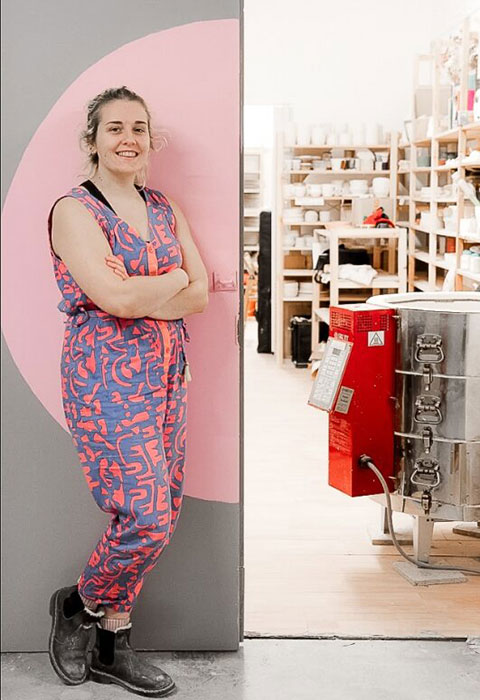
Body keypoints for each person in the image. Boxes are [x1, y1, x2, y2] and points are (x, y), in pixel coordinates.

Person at [47, 86, 208, 697]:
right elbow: (115, 300)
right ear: (92, 140)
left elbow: (202, 295)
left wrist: (153, 288)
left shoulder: (164, 208)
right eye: (114, 128)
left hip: (167, 377)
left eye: (138, 127)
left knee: (160, 505)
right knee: (147, 518)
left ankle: (114, 644)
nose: (128, 138)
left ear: (150, 139)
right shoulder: (74, 211)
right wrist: (170, 278)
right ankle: (76, 604)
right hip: (103, 380)